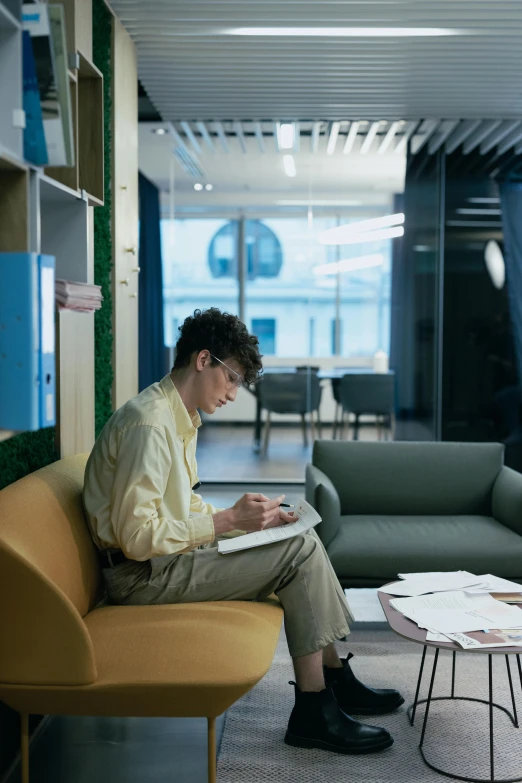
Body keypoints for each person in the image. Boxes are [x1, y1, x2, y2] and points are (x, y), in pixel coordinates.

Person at [83, 307, 403, 755]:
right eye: (231, 378)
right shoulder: (151, 425)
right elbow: (138, 539)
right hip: (142, 577)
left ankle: (332, 681)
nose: (234, 394)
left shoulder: (176, 416)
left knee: (298, 537)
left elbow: (182, 506)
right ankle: (315, 707)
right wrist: (230, 521)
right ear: (202, 359)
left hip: (162, 563)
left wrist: (255, 521)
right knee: (299, 554)